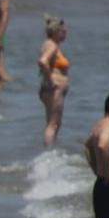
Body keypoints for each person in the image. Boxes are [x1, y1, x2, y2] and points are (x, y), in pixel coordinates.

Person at [37, 16, 71, 146]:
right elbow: (43, 61)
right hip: (53, 88)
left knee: (51, 123)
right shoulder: (52, 46)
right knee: (53, 124)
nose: (66, 32)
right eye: (63, 30)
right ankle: (49, 155)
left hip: (49, 88)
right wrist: (51, 81)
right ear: (56, 32)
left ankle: (48, 154)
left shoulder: (48, 44)